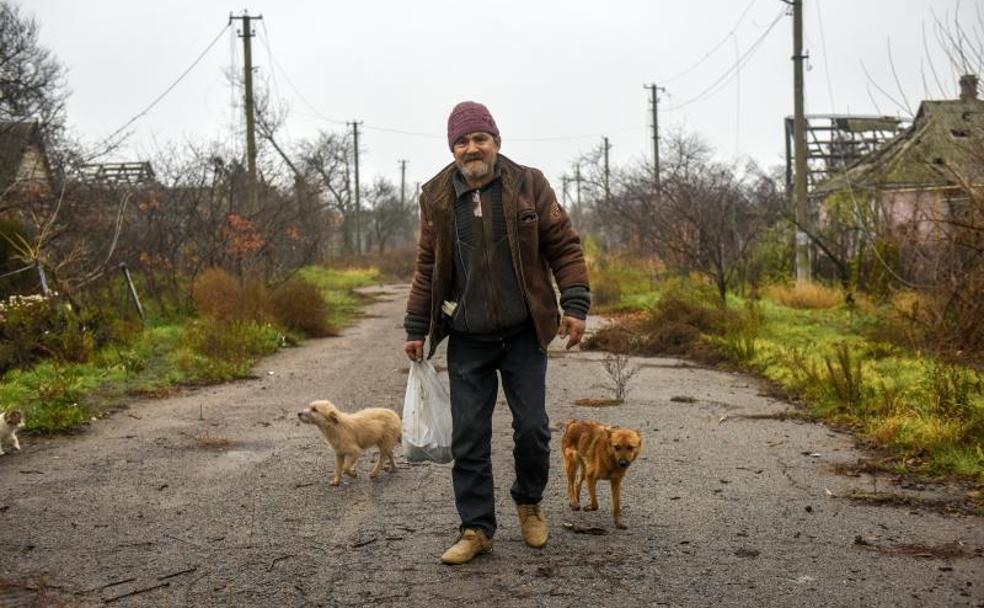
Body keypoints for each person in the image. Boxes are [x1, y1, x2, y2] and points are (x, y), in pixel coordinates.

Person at [403, 101, 590, 565]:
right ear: (453, 149)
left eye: (479, 139)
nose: (471, 148)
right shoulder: (437, 197)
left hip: (524, 333)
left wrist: (576, 303)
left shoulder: (529, 184)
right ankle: (476, 528)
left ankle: (529, 505)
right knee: (469, 435)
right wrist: (415, 326)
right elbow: (427, 266)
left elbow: (563, 244)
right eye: (462, 142)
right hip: (468, 336)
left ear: (496, 141)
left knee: (532, 430)